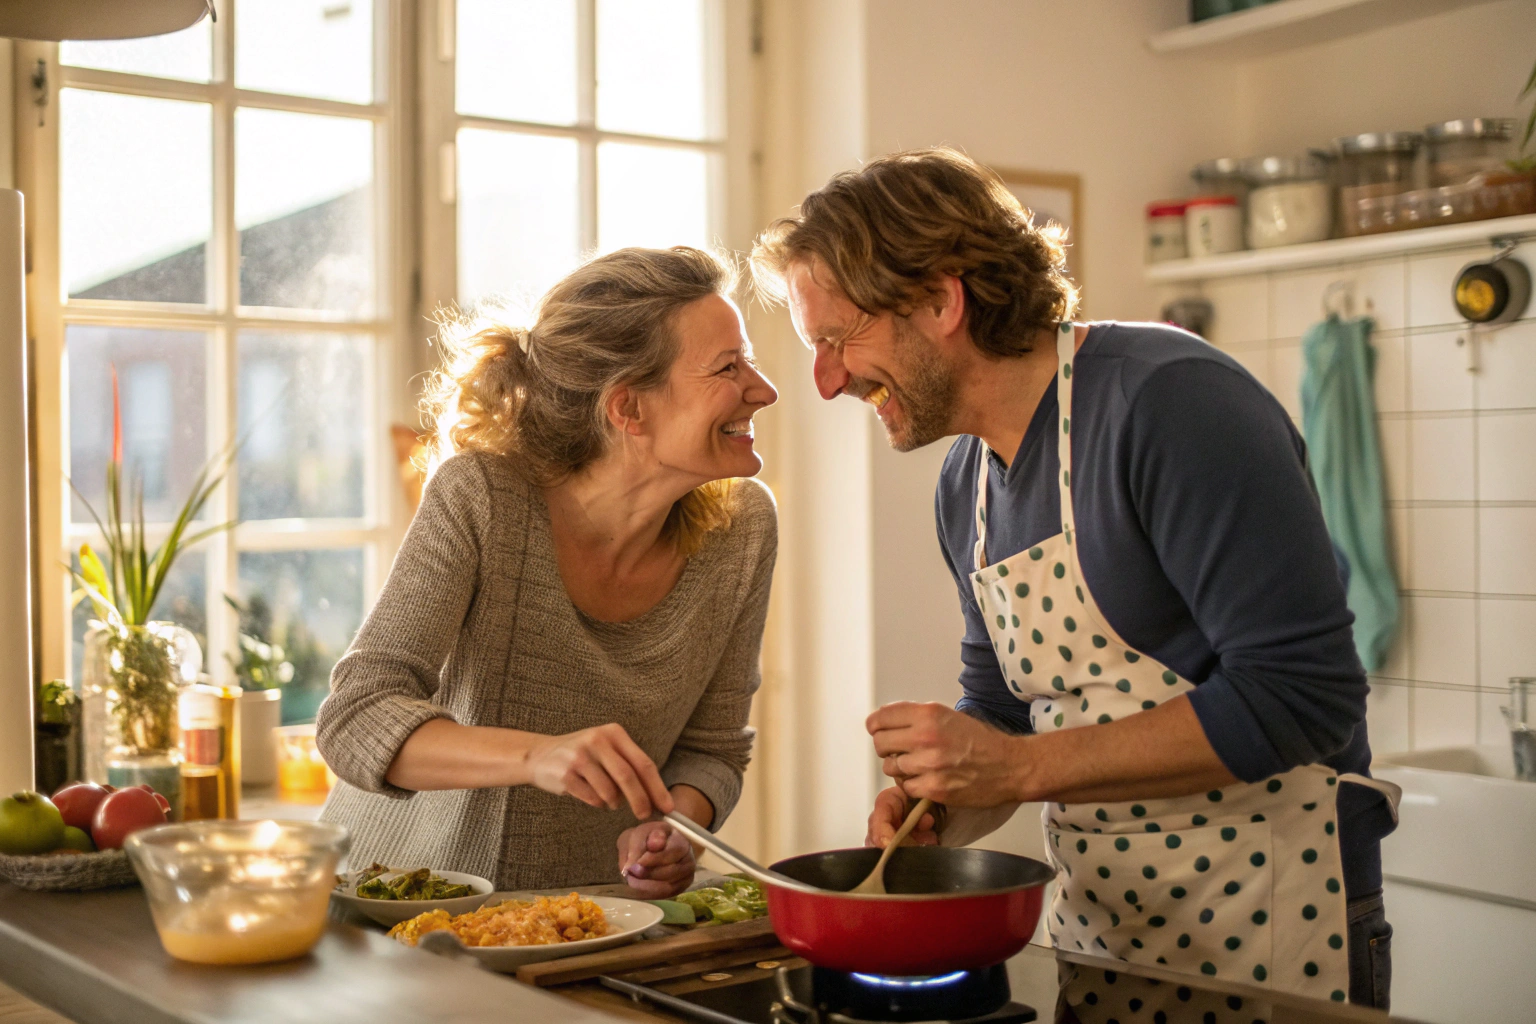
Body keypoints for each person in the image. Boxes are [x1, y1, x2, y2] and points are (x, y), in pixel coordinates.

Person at [751, 149, 1399, 1017]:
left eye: (839, 339)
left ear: (942, 301)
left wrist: (1014, 768)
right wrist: (948, 803)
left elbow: (1303, 696)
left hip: (1277, 918)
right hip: (1101, 932)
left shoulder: (1171, 402)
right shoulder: (965, 486)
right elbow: (1008, 711)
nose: (828, 381)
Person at [316, 246, 779, 898]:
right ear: (629, 409)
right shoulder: (482, 496)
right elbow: (355, 719)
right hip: (395, 910)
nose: (764, 390)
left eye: (748, 360)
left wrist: (676, 827)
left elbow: (714, 748)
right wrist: (537, 756)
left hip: (592, 920)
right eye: (728, 368)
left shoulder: (744, 529)